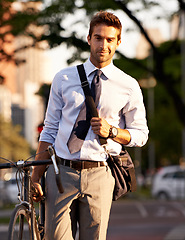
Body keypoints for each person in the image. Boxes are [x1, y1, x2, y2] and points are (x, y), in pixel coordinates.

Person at [31, 11, 149, 240]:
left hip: (100, 173)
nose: (103, 45)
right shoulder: (63, 78)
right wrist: (36, 176)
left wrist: (112, 132)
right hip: (61, 172)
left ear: (118, 42)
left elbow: (141, 134)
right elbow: (50, 128)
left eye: (109, 39)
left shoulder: (128, 85)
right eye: (98, 38)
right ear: (89, 39)